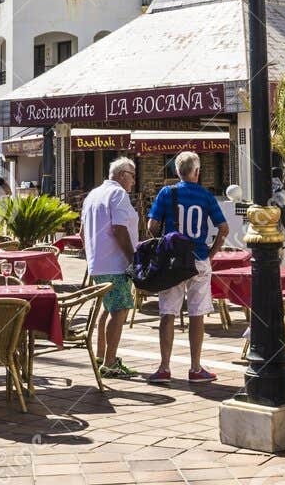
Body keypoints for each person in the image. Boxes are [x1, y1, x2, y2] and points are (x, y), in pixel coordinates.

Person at [145, 151, 228, 384]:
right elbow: (223, 228)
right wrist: (211, 253)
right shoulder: (206, 195)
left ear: (176, 172)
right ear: (197, 172)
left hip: (172, 261)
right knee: (197, 315)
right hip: (199, 259)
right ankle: (195, 367)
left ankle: (164, 368)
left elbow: (152, 225)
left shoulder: (166, 192)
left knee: (167, 314)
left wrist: (165, 239)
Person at [82, 158, 141, 380]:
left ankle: (100, 356)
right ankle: (110, 362)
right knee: (119, 310)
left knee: (107, 309)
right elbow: (119, 228)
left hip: (97, 262)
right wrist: (132, 258)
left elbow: (81, 233)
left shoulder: (93, 194)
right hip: (115, 263)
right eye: (133, 175)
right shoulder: (118, 194)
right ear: (122, 174)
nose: (134, 181)